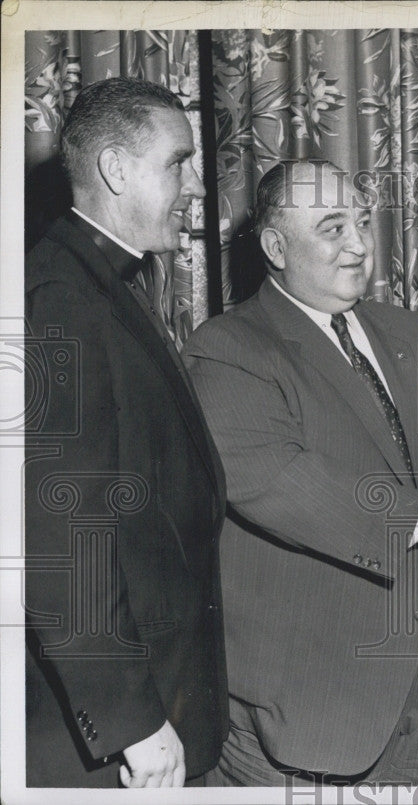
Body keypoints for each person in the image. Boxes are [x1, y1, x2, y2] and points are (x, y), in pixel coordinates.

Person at [182, 160, 418, 786]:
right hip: (306, 709)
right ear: (275, 246)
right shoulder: (228, 349)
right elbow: (279, 482)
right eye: (333, 227)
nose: (361, 245)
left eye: (364, 222)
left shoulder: (409, 328)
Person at [24, 77, 227, 787]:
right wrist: (133, 721)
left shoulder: (101, 280)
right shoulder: (58, 300)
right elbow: (59, 540)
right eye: (179, 162)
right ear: (115, 170)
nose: (197, 185)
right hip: (117, 742)